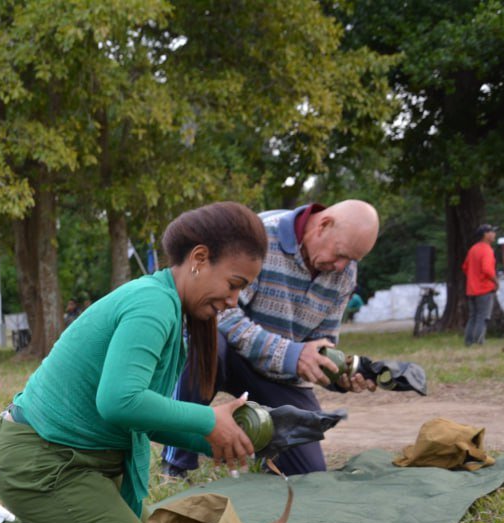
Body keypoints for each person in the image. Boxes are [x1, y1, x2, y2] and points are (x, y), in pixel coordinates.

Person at [0, 202, 265, 523]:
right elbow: (119, 401)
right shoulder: (153, 305)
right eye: (234, 283)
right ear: (200, 259)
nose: (234, 299)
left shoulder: (170, 308)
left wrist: (215, 439)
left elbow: (141, 416)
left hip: (83, 466)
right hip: (43, 465)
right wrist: (209, 420)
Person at [162, 199, 380, 478]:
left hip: (280, 373)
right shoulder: (262, 236)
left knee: (309, 475)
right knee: (204, 339)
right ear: (323, 226)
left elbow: (323, 339)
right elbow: (222, 314)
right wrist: (292, 354)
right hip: (229, 353)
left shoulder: (345, 272)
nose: (341, 267)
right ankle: (177, 463)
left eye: (351, 260)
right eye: (341, 255)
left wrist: (336, 374)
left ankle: (264, 449)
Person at [463, 223, 498, 346]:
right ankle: (479, 342)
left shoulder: (473, 249)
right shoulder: (487, 250)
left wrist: (474, 277)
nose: (494, 234)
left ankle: (468, 341)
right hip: (484, 289)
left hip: (471, 289)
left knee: (472, 316)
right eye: (491, 232)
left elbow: (465, 267)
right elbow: (487, 270)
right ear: (485, 235)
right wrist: (495, 281)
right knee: (482, 317)